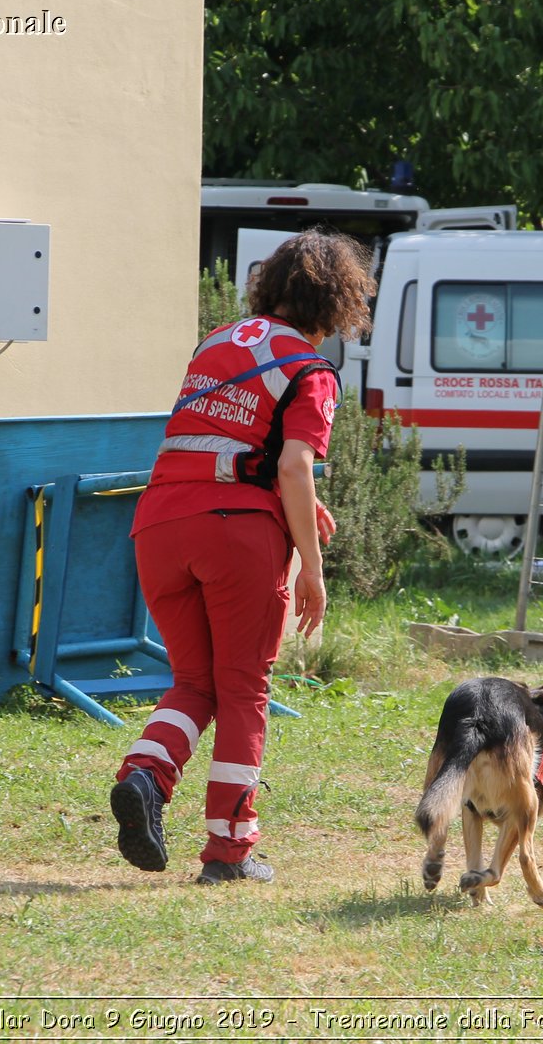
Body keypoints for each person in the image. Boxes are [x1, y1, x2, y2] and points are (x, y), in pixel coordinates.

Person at [108, 230, 374, 884]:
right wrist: (311, 566)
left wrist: (301, 507)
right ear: (338, 301)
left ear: (270, 285)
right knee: (244, 690)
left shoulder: (217, 342)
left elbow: (222, 441)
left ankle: (145, 776)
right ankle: (230, 849)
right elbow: (291, 462)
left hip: (160, 524)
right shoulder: (313, 371)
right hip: (236, 538)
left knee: (195, 683)